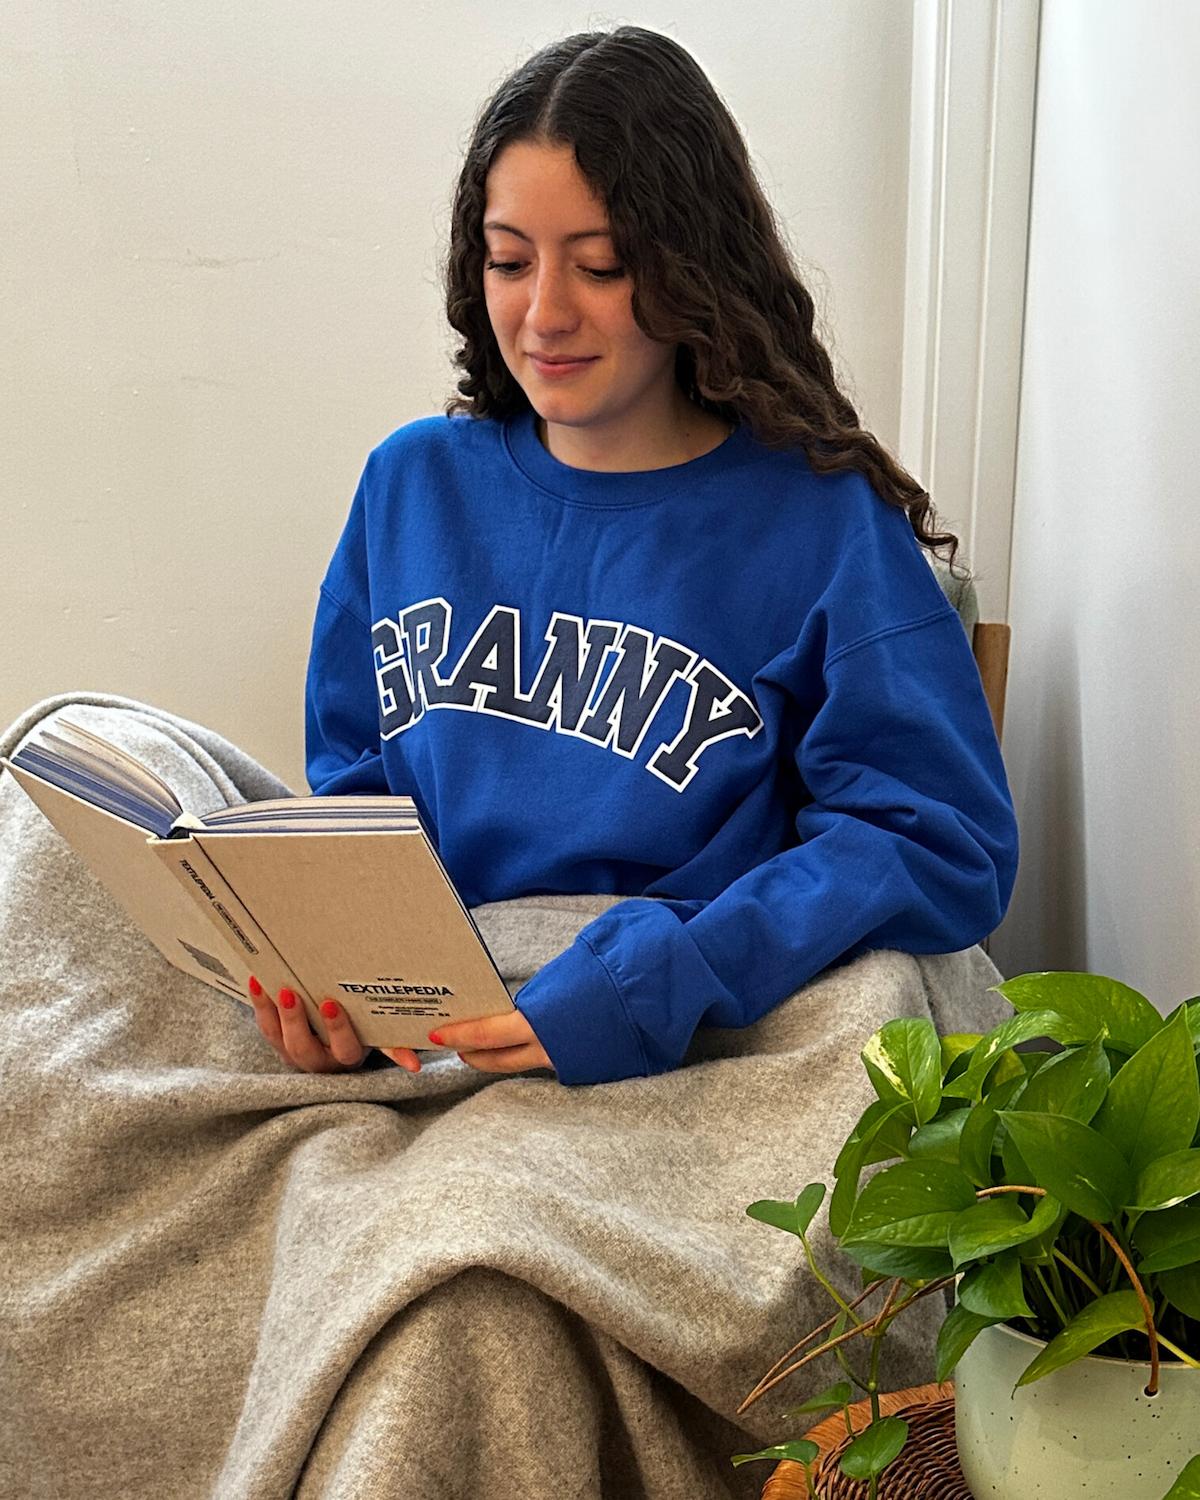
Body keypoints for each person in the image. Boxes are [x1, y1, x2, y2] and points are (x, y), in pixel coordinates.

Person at [253, 24, 1019, 1088]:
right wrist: (334, 975)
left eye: (602, 266)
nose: (544, 313)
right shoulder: (410, 486)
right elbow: (357, 792)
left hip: (693, 1016)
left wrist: (662, 977)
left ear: (693, 267)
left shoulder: (820, 522)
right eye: (509, 261)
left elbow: (941, 841)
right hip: (450, 1019)